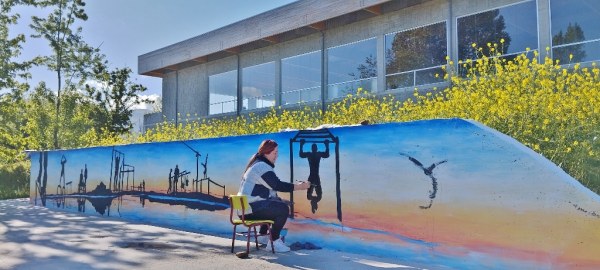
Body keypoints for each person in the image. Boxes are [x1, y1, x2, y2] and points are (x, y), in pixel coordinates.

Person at [238, 139, 310, 253]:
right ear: (266, 152)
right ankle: (274, 241)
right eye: (274, 153)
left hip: (245, 209)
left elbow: (269, 191)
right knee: (282, 209)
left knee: (277, 205)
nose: (277, 156)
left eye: (277, 153)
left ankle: (263, 236)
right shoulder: (261, 167)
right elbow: (277, 185)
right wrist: (300, 187)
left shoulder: (257, 164)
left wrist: (279, 200)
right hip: (250, 210)